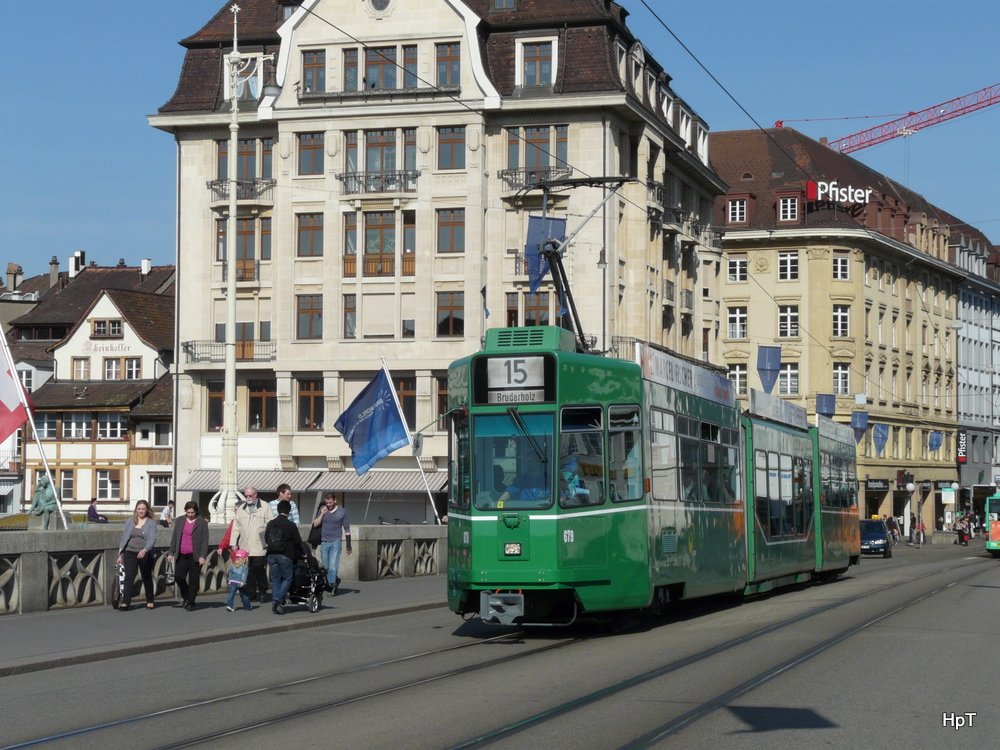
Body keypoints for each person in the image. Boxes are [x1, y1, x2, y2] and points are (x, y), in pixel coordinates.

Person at [228, 485, 274, 602]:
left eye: (250, 495)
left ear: (255, 495)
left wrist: (268, 539)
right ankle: (251, 593)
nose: (248, 497)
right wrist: (233, 543)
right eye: (246, 495)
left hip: (259, 545)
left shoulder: (264, 506)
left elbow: (271, 524)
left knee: (258, 568)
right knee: (248, 571)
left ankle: (263, 591)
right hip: (245, 546)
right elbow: (236, 527)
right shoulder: (241, 508)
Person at [116, 500, 157, 611]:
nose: (141, 511)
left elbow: (152, 539)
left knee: (146, 576)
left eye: (143, 509)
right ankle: (125, 602)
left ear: (147, 509)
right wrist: (120, 554)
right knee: (129, 576)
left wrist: (144, 550)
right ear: (136, 510)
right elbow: (124, 538)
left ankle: (150, 600)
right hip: (129, 551)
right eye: (139, 509)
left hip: (144, 552)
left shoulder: (151, 523)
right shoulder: (130, 521)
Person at [167, 500, 209, 611]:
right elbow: (175, 537)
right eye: (188, 512)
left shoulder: (202, 522)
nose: (190, 515)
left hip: (195, 556)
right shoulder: (180, 520)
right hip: (181, 554)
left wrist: (203, 556)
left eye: (192, 513)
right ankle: (186, 596)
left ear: (196, 512)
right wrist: (171, 552)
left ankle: (191, 602)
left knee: (193, 580)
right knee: (179, 577)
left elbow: (205, 540)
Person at [264, 499, 303, 615]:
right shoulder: (291, 525)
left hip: (271, 554)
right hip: (286, 555)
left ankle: (276, 604)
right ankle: (277, 600)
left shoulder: (271, 523)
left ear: (278, 510)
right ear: (289, 511)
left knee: (275, 580)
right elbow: (298, 541)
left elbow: (266, 538)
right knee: (287, 578)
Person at [312, 492, 352, 594]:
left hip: (336, 541)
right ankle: (336, 580)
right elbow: (315, 524)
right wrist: (322, 514)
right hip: (324, 542)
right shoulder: (323, 509)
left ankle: (331, 587)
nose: (328, 504)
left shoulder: (342, 512)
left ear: (335, 501)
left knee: (333, 566)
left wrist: (348, 545)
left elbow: (347, 529)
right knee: (325, 567)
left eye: (330, 502)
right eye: (327, 502)